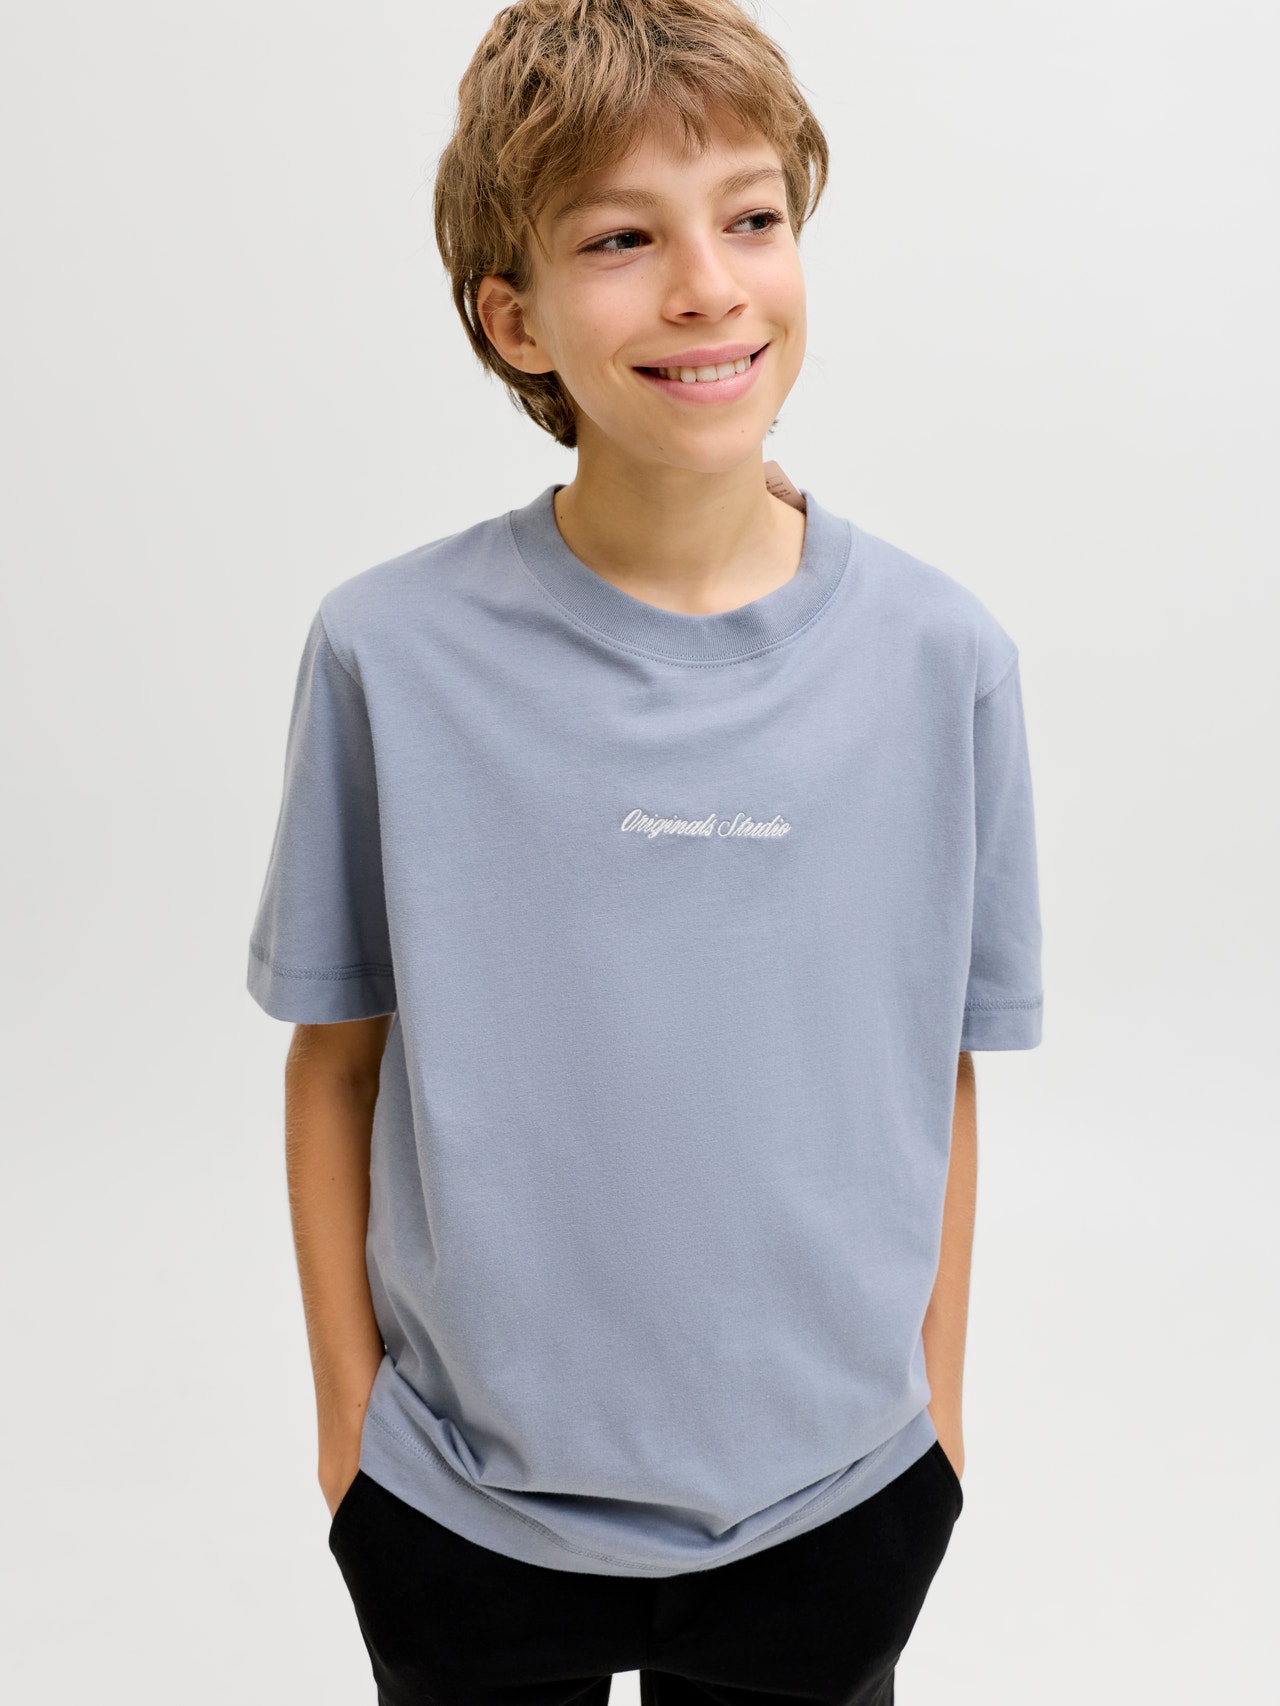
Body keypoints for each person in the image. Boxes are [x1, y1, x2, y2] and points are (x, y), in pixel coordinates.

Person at [244, 1, 1044, 1700]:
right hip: (458, 1511)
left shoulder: (942, 659)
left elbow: (941, 1067)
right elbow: (335, 1061)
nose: (707, 287)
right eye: (623, 239)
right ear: (514, 317)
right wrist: (348, 1437)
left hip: (837, 1502)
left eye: (751, 217)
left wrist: (937, 1424)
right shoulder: (389, 653)